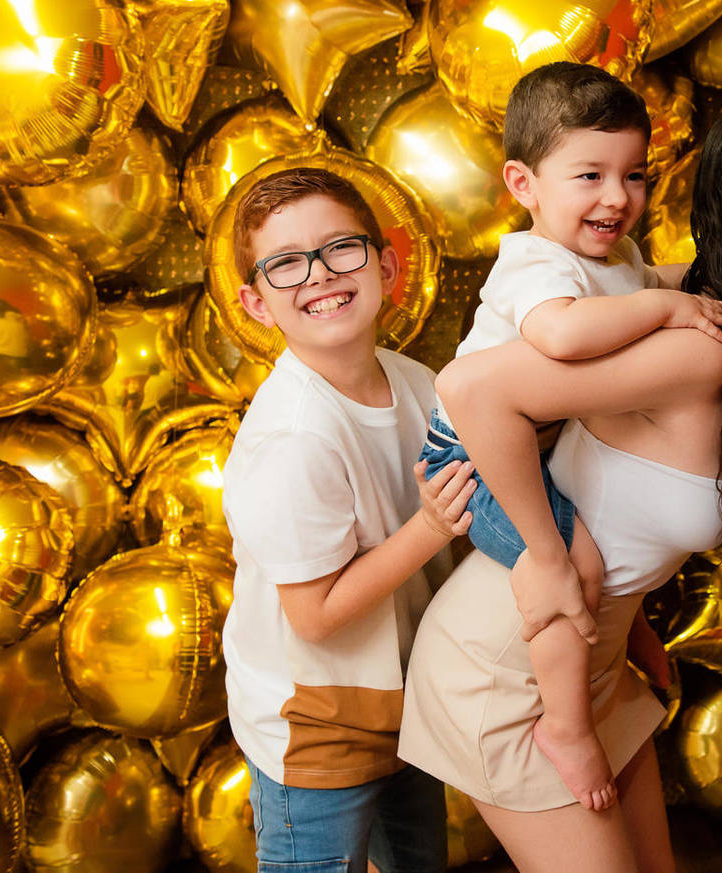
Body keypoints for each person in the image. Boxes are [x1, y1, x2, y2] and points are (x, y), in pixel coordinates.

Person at [399, 95, 722, 872]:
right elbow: (472, 389)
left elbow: (619, 500)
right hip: (509, 668)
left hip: (597, 659)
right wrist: (547, 556)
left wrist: (633, 624)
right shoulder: (697, 348)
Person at [417, 61, 722, 812]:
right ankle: (564, 727)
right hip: (472, 456)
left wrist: (709, 277)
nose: (616, 197)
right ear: (523, 184)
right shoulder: (532, 265)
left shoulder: (612, 255)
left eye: (634, 175)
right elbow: (562, 335)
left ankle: (607, 654)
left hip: (529, 440)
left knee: (595, 539)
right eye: (589, 176)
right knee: (575, 564)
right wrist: (666, 312)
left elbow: (645, 283)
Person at [221, 167, 478, 873]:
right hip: (317, 723)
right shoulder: (294, 438)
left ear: (387, 266)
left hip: (407, 696)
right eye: (286, 263)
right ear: (258, 303)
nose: (320, 274)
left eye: (341, 247)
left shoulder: (419, 383)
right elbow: (315, 616)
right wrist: (431, 527)